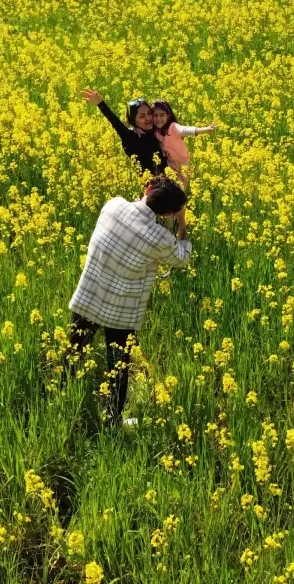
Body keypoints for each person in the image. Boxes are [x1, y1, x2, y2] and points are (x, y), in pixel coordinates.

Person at [67, 176, 192, 423]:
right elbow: (182, 258)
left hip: (88, 296)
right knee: (118, 366)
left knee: (73, 352)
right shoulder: (160, 238)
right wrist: (182, 225)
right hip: (121, 311)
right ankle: (113, 420)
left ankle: (62, 397)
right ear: (167, 213)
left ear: (147, 189)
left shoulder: (113, 205)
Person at [81, 88, 166, 176]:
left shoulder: (158, 131)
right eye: (142, 116)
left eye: (149, 113)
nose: (148, 118)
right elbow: (115, 121)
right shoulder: (130, 137)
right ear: (133, 120)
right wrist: (101, 104)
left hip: (172, 182)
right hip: (152, 186)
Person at [151, 99, 218, 186]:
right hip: (170, 163)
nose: (158, 119)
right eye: (155, 116)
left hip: (183, 162)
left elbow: (186, 130)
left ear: (168, 116)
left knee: (184, 186)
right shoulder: (156, 131)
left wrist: (205, 129)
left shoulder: (173, 128)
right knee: (175, 186)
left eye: (162, 115)